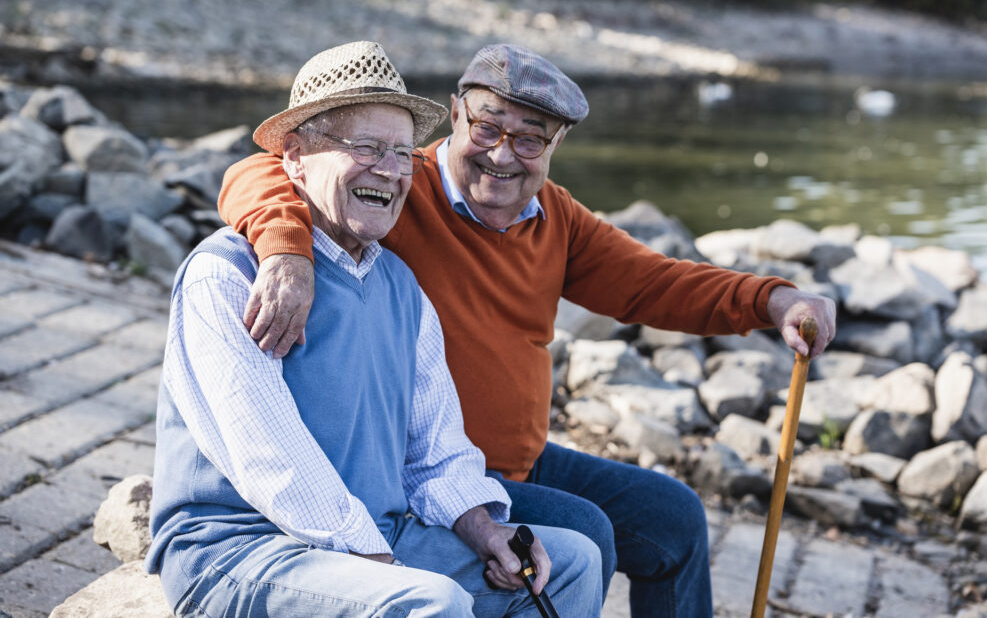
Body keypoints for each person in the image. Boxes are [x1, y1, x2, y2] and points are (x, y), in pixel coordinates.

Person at [217, 43, 838, 617]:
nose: (502, 153)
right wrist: (286, 251)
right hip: (427, 471)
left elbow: (656, 282)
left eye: (530, 139)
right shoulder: (399, 186)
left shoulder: (557, 219)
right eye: (487, 126)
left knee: (673, 515)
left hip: (522, 461)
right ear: (456, 116)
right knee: (583, 533)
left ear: (556, 144)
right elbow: (262, 171)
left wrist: (773, 299)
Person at [145, 41, 603, 617]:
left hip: (378, 539)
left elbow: (433, 453)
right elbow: (276, 465)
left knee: (573, 561)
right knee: (428, 601)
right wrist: (382, 564)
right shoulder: (230, 275)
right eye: (365, 147)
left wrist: (484, 528)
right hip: (242, 553)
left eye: (402, 152)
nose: (388, 170)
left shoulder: (403, 288)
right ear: (294, 155)